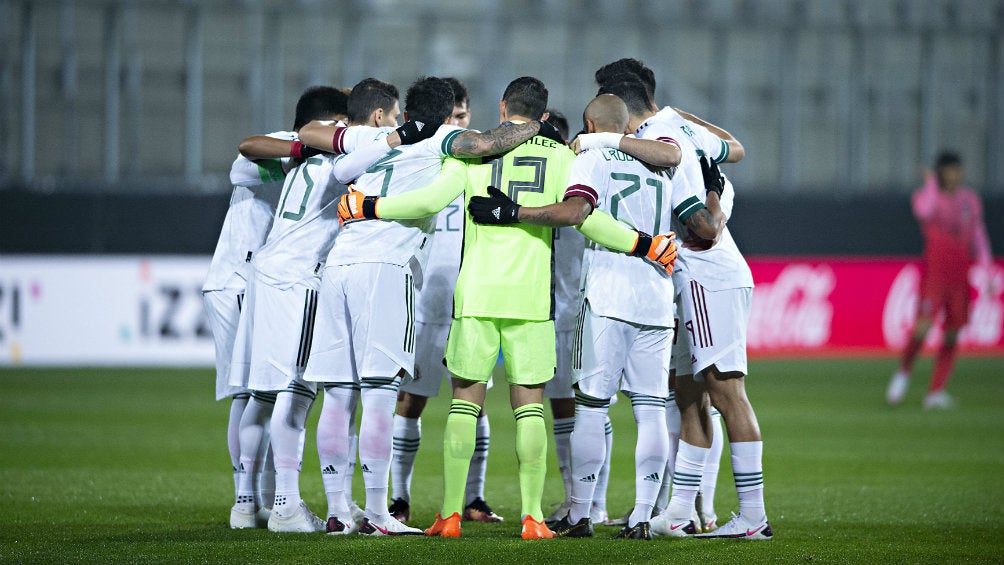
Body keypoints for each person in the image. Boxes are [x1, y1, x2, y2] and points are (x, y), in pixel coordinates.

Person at [337, 77, 680, 539]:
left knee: (464, 404)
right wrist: (644, 244)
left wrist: (370, 206)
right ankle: (534, 517)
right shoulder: (563, 156)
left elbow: (429, 200)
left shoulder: (473, 152)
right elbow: (586, 217)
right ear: (544, 113)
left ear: (502, 108)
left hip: (476, 296)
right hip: (531, 299)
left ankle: (449, 515)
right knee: (530, 409)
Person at [300, 76, 563, 536]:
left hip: (341, 264)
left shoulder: (374, 137)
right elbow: (482, 145)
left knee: (340, 394)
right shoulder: (450, 141)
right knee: (387, 394)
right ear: (447, 116)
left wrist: (368, 195)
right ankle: (383, 513)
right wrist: (540, 128)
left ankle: (343, 510)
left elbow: (326, 154)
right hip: (392, 269)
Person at [205, 89, 335, 528]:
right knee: (253, 392)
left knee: (256, 393)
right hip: (242, 280)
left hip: (256, 280)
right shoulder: (286, 147)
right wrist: (302, 147)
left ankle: (250, 503)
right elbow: (245, 151)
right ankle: (256, 499)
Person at [388, 78, 503, 525]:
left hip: (469, 299)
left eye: (462, 116)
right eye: (450, 117)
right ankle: (398, 498)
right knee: (410, 401)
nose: (457, 125)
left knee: (472, 401)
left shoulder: (483, 160)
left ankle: (474, 498)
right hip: (422, 300)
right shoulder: (420, 156)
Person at [887, 151, 992, 409]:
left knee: (952, 334)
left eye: (959, 170)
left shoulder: (970, 200)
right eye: (950, 171)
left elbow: (979, 237)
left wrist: (987, 271)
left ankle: (935, 391)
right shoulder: (927, 196)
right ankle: (904, 372)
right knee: (922, 328)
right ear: (941, 173)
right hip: (935, 276)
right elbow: (925, 212)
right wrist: (931, 184)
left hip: (959, 276)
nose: (956, 175)